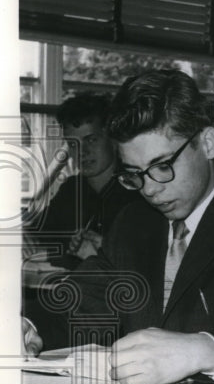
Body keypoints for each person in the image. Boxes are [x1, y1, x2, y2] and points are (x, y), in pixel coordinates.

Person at [25, 69, 214, 384]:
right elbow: (83, 305)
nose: (150, 189)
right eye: (135, 173)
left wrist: (205, 349)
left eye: (162, 166)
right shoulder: (134, 221)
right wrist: (29, 326)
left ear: (208, 143)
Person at [27, 92, 141, 263]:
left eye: (91, 140)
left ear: (112, 138)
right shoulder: (71, 189)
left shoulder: (138, 191)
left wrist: (108, 251)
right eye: (73, 144)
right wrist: (24, 236)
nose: (82, 151)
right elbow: (36, 232)